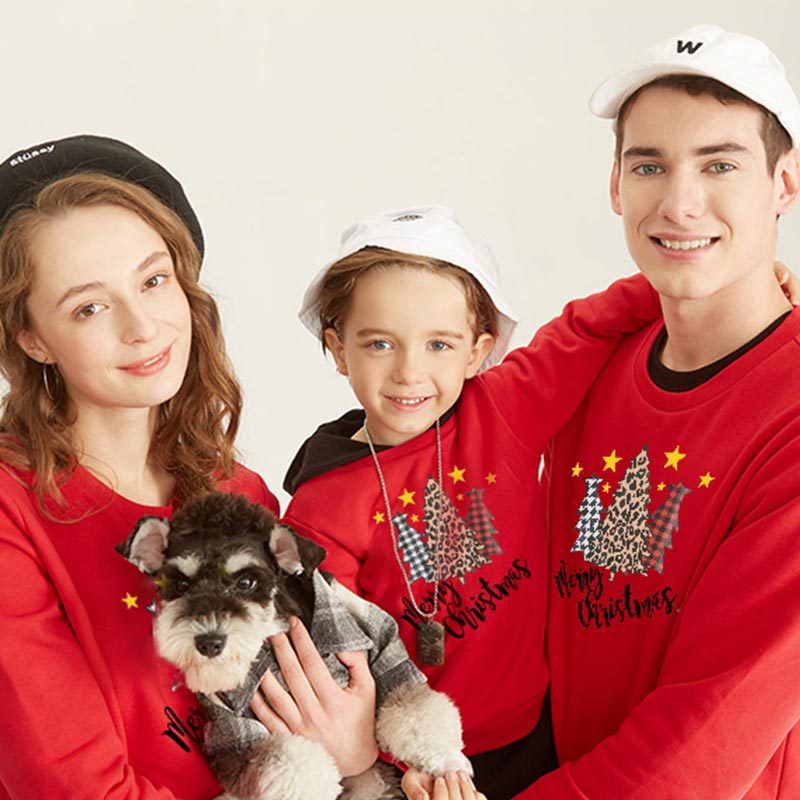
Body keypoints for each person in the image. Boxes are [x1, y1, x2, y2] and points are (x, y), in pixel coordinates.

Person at [0, 135, 373, 800]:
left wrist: (358, 751)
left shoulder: (237, 491)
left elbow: (322, 680)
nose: (143, 326)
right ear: (32, 339)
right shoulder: (11, 510)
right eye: (89, 306)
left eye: (153, 280)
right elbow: (69, 783)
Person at [280, 205, 663, 800]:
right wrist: (396, 766)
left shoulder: (503, 409)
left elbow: (590, 326)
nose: (410, 371)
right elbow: (342, 660)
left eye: (439, 344)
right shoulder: (320, 508)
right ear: (337, 348)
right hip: (419, 759)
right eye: (380, 343)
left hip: (546, 729)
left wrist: (716, 286)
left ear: (478, 349)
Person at [513, 24, 800, 799]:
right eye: (650, 165)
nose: (679, 202)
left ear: (784, 183)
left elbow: (700, 751)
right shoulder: (596, 359)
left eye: (720, 165)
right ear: (615, 185)